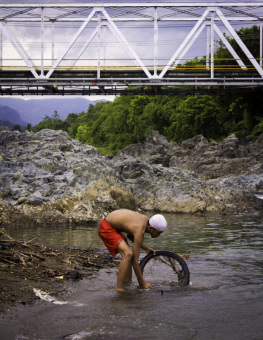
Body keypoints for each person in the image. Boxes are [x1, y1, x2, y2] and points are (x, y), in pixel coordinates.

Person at [98, 209, 167, 292]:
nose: (158, 235)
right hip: (106, 227)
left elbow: (130, 236)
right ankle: (119, 287)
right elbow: (135, 260)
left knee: (129, 255)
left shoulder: (147, 221)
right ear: (151, 228)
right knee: (128, 254)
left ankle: (127, 282)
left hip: (114, 226)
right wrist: (142, 284)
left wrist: (146, 248)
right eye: (158, 233)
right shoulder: (140, 229)